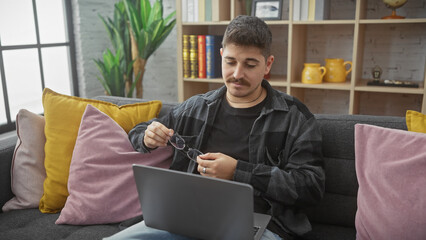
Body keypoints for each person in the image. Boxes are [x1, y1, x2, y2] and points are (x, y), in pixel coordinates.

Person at [105, 15, 325, 240]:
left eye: (250, 65)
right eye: (230, 62)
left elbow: (311, 187)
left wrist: (237, 171)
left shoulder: (294, 116)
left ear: (268, 63)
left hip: (257, 223)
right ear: (220, 56)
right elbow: (138, 131)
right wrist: (147, 136)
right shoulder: (196, 106)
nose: (237, 74)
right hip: (186, 216)